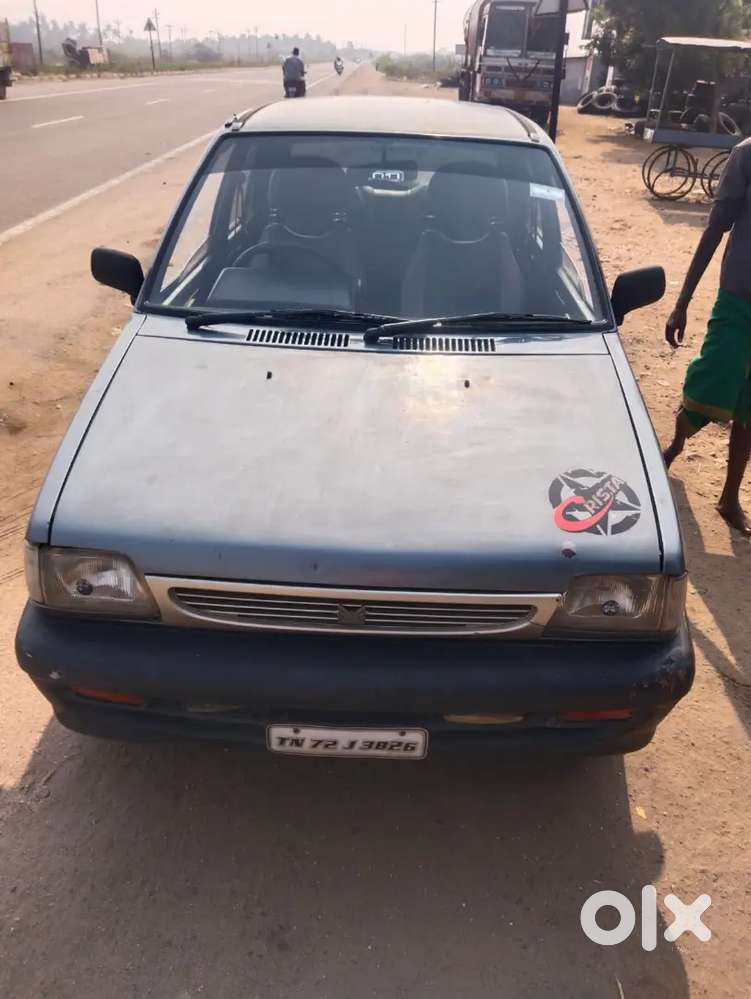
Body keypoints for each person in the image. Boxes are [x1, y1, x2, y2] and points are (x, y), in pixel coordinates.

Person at [663, 136, 751, 536]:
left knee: (749, 410)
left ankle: (730, 496)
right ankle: (676, 446)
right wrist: (683, 301)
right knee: (709, 381)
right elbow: (715, 230)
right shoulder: (745, 155)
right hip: (738, 299)